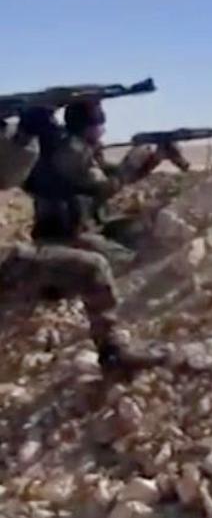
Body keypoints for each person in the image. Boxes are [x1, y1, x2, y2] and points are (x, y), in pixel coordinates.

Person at [0, 110, 164, 375]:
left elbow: (8, 176)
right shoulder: (65, 157)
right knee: (97, 266)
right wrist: (22, 137)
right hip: (63, 237)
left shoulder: (72, 155)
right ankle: (113, 354)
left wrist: (21, 137)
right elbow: (102, 185)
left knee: (130, 233)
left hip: (53, 241)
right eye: (98, 126)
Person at [24, 100, 176, 268]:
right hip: (68, 237)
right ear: (87, 128)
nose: (103, 132)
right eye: (99, 126)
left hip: (85, 228)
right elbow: (105, 187)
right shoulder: (72, 154)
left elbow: (113, 174)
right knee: (133, 263)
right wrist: (131, 164)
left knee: (142, 231)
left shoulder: (78, 150)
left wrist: (153, 160)